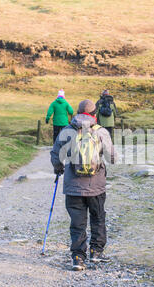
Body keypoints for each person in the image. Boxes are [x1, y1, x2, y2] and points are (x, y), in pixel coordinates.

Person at [50, 99, 116, 271]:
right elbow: (112, 158)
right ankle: (96, 252)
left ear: (77, 113)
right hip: (97, 186)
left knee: (77, 222)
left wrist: (59, 169)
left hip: (73, 186)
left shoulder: (67, 130)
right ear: (94, 114)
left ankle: (78, 258)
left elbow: (56, 154)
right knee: (98, 217)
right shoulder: (100, 132)